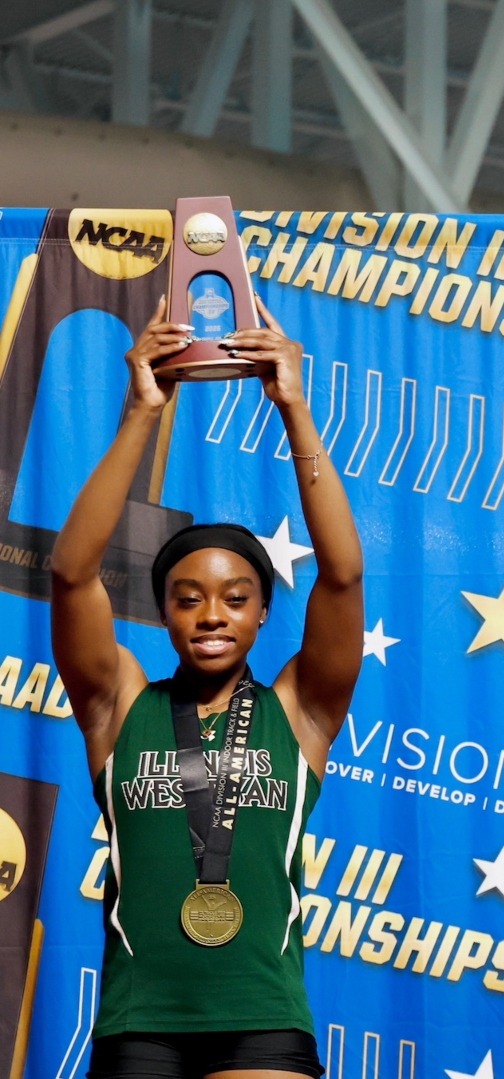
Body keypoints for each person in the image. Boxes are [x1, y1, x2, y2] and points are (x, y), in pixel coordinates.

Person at [50, 297, 364, 1079]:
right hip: (140, 1019)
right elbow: (70, 573)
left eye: (234, 596)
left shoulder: (302, 708)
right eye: (187, 597)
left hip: (262, 1017)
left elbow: (344, 573)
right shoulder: (118, 702)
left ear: (262, 613)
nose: (211, 614)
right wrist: (140, 413)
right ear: (162, 613)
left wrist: (294, 408)